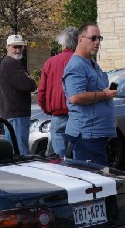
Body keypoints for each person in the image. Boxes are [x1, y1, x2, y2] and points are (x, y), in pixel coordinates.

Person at [62, 22, 117, 165]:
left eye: (99, 38)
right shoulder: (76, 65)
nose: (97, 42)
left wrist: (104, 91)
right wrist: (105, 96)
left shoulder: (91, 63)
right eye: (93, 38)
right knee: (94, 182)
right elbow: (75, 97)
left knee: (99, 181)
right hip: (87, 135)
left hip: (97, 134)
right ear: (81, 39)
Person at [38, 27, 79, 157]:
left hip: (58, 114)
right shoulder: (83, 61)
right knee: (80, 155)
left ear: (63, 44)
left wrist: (47, 109)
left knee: (59, 157)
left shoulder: (50, 62)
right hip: (77, 113)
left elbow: (42, 91)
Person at [0, 34, 37, 155]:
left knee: (13, 152)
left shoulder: (10, 63)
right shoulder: (11, 63)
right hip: (17, 115)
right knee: (21, 154)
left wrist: (28, 79)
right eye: (14, 47)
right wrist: (32, 80)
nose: (18, 50)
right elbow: (28, 85)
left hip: (13, 114)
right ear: (7, 47)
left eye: (20, 47)